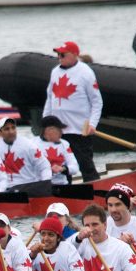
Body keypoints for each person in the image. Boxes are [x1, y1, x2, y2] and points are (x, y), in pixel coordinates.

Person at [42, 40, 102, 181]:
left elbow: (96, 101)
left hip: (79, 129)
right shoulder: (55, 72)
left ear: (75, 55)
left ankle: (94, 187)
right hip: (59, 131)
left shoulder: (85, 72)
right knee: (61, 165)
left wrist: (93, 124)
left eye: (63, 55)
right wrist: (45, 123)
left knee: (85, 163)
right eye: (58, 55)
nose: (59, 58)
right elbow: (50, 99)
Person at [0, 117, 52, 195]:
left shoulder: (29, 145)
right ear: (0, 132)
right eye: (7, 129)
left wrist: (45, 184)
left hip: (28, 188)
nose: (11, 131)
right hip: (5, 191)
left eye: (13, 128)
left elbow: (44, 167)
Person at [35, 115, 80, 185]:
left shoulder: (64, 144)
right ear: (49, 130)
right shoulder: (32, 145)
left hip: (62, 185)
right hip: (40, 186)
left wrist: (62, 169)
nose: (62, 133)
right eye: (59, 130)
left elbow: (75, 167)